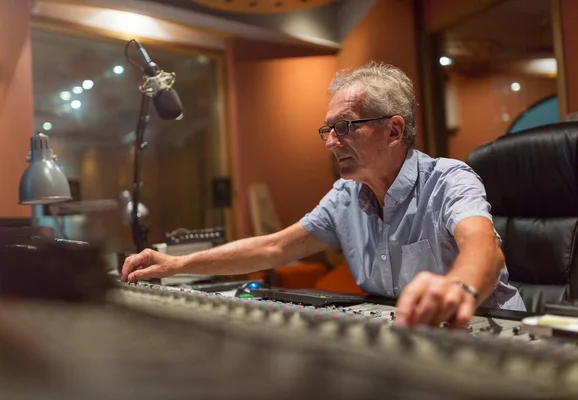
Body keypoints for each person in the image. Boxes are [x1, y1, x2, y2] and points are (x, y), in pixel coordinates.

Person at [121, 61, 525, 327]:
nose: (331, 142)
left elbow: (484, 247)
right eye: (327, 130)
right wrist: (176, 264)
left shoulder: (449, 179)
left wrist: (457, 287)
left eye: (345, 127)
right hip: (411, 340)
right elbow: (275, 248)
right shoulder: (346, 196)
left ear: (394, 130)